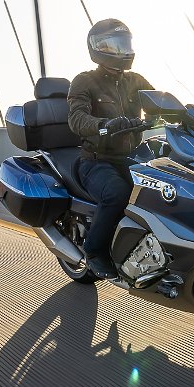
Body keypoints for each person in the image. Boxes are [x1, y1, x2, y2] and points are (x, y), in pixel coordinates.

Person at [67, 18, 153, 279]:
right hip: (96, 161)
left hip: (131, 157)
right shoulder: (84, 81)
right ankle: (94, 251)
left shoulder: (135, 80)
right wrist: (105, 125)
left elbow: (162, 102)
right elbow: (77, 119)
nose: (122, 51)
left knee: (163, 188)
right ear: (98, 48)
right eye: (115, 45)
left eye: (125, 44)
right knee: (117, 193)